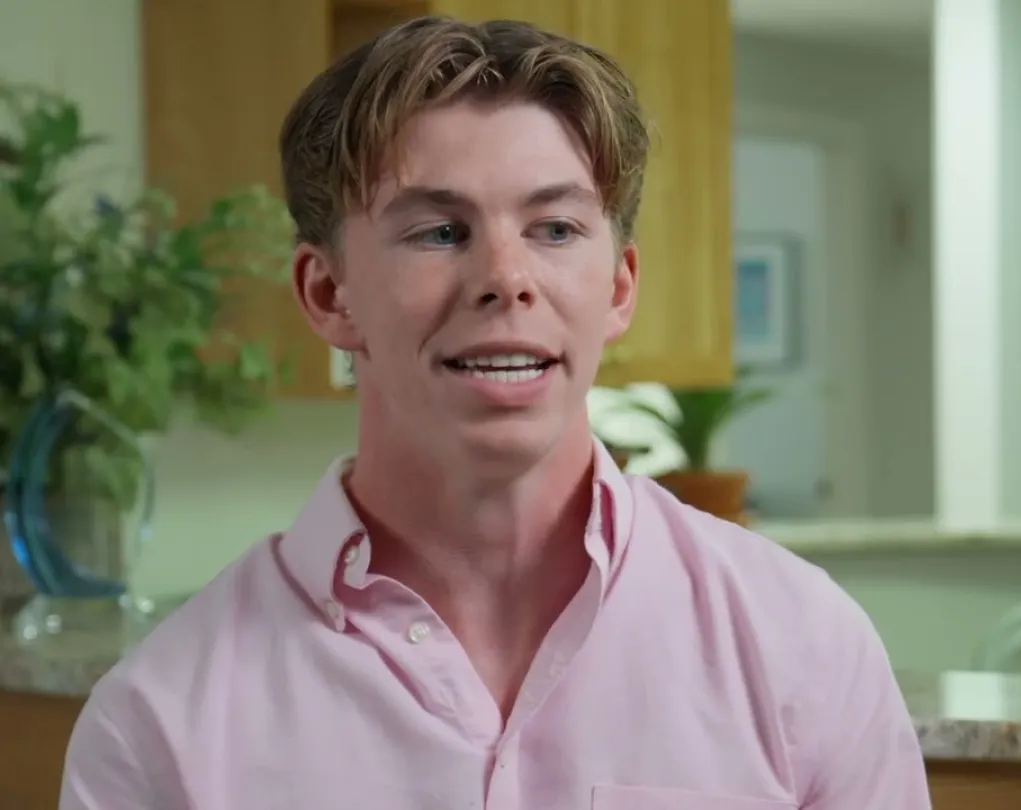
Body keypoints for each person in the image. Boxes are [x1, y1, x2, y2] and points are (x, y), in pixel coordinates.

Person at [59, 16, 928, 810]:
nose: (505, 278)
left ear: (619, 287)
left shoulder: (802, 649)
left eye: (554, 229)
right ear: (327, 293)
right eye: (438, 232)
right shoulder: (160, 728)